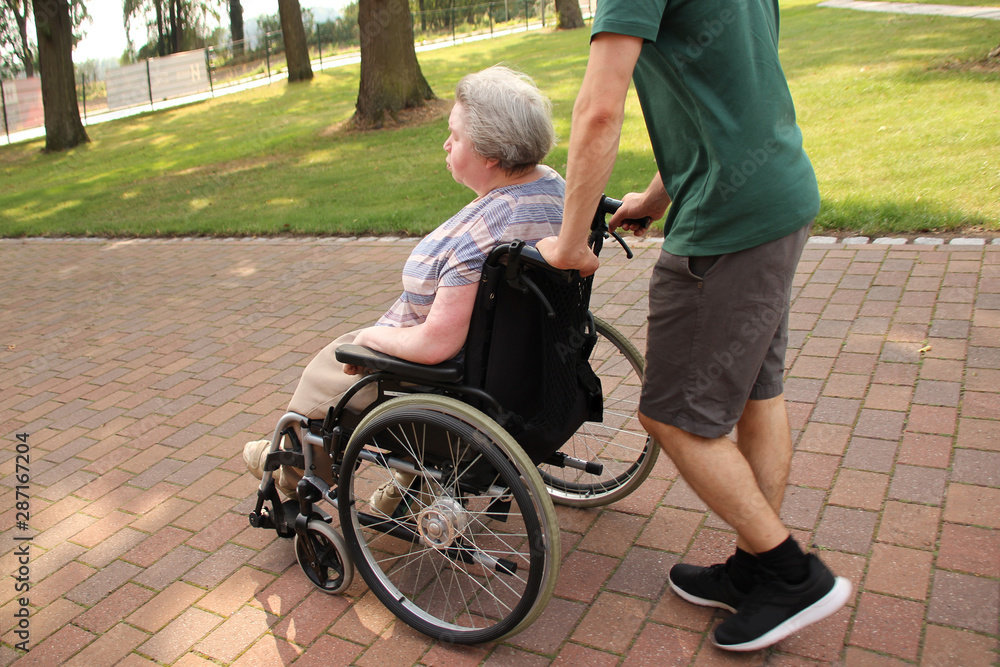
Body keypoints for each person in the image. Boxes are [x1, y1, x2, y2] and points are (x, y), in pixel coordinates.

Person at [536, 0, 850, 653]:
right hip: (780, 197)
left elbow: (599, 110)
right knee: (759, 393)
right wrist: (657, 195)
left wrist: (569, 243)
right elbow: (727, 86)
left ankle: (791, 575)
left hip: (727, 227)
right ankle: (754, 570)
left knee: (672, 416)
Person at [244, 65, 564, 509]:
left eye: (455, 135)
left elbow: (436, 344)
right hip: (527, 362)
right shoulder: (551, 186)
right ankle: (406, 486)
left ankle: (290, 471)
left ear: (490, 154)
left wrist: (370, 338)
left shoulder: (481, 236)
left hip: (448, 375)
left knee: (335, 361)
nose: (446, 144)